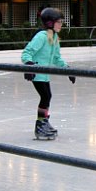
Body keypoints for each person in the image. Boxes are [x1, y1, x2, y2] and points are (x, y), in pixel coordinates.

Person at [21, 8, 75, 140]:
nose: (61, 24)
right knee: (45, 96)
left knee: (47, 96)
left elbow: (57, 58)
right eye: (59, 22)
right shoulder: (41, 36)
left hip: (44, 74)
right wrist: (29, 65)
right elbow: (27, 52)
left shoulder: (54, 37)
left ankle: (43, 121)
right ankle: (40, 125)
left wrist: (67, 69)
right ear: (50, 23)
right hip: (37, 73)